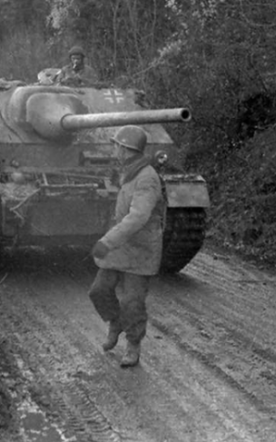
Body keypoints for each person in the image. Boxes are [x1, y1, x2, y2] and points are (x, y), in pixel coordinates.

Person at [89, 125, 166, 368]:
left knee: (132, 302)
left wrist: (107, 241)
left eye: (117, 145)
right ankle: (115, 322)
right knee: (99, 291)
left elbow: (137, 218)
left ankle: (133, 344)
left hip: (140, 249)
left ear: (125, 149)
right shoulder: (129, 171)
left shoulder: (147, 178)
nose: (114, 149)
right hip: (121, 245)